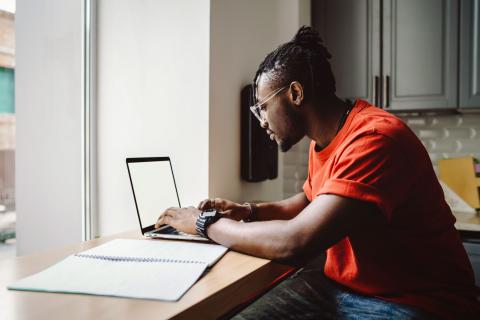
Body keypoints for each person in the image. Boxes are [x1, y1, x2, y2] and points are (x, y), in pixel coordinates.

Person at [155, 26, 480, 319]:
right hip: (340, 289)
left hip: (417, 302)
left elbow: (296, 241)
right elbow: (310, 202)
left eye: (263, 107)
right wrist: (248, 211)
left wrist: (203, 224)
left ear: (295, 94)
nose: (261, 121)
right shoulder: (322, 140)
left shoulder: (375, 140)